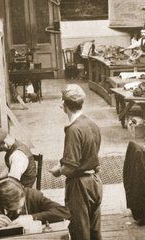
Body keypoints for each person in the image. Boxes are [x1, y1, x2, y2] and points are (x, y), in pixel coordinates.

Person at [49, 84, 102, 240]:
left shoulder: (73, 130)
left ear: (64, 105)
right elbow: (89, 154)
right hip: (95, 182)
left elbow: (70, 167)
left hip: (80, 186)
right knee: (94, 230)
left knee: (80, 231)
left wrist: (58, 171)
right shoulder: (92, 124)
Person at [0, 178, 70, 230]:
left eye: (21, 207)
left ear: (23, 195)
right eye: (13, 210)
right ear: (0, 202)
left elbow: (65, 212)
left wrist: (31, 217)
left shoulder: (33, 195)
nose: (19, 212)